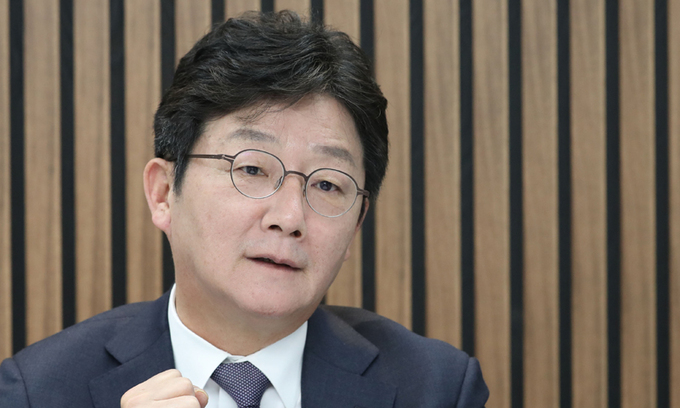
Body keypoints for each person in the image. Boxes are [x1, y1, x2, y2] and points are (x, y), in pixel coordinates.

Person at [0, 10, 488, 408]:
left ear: (357, 225)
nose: (289, 218)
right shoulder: (37, 391)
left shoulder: (437, 388)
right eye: (252, 169)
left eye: (327, 184)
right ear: (164, 193)